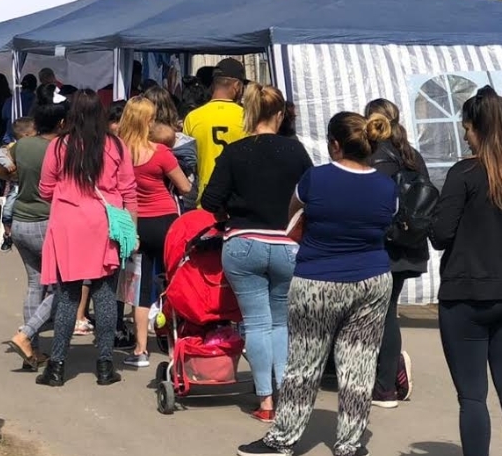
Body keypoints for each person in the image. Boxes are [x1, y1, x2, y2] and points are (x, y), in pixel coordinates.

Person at [238, 112, 397, 456]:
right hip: (372, 279)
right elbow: (386, 223)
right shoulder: (387, 186)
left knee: (304, 363)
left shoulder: (316, 179)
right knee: (359, 364)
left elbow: (292, 220)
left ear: (334, 144)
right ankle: (349, 444)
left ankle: (283, 440)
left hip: (318, 279)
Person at [200, 84, 312, 421]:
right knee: (281, 323)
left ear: (248, 112)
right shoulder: (296, 151)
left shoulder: (235, 151)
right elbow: (311, 194)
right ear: (279, 114)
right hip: (287, 245)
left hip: (243, 242)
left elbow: (210, 200)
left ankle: (265, 402)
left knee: (257, 323)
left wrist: (227, 213)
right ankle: (285, 395)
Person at [34, 89, 137, 389]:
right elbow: (129, 190)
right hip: (105, 225)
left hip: (68, 224)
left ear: (72, 113)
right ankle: (105, 365)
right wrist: (132, 230)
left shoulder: (59, 145)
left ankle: (56, 366)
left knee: (67, 296)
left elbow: (45, 188)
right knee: (105, 296)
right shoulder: (115, 146)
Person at [431, 86, 502, 456]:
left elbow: (441, 234)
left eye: (467, 128)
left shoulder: (464, 173)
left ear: (477, 128)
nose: (464, 136)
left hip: (465, 293)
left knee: (473, 397)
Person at [365, 97, 429, 409]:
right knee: (387, 310)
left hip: (383, 245)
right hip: (409, 244)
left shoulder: (375, 156)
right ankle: (388, 374)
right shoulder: (412, 155)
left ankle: (386, 384)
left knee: (381, 313)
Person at [118, 96, 191, 368]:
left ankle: (140, 349)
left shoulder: (118, 153)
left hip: (134, 224)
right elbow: (185, 187)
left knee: (141, 287)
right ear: (147, 121)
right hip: (165, 222)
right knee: (173, 281)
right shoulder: (160, 152)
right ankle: (177, 344)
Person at [7, 85, 66, 371]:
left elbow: (3, 169)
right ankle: (26, 334)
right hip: (45, 220)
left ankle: (32, 348)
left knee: (35, 283)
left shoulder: (22, 145)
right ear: (61, 123)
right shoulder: (58, 149)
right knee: (63, 287)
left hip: (20, 219)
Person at [183, 58, 247, 199]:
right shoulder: (247, 117)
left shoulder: (193, 117)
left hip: (205, 198)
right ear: (237, 86)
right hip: (237, 199)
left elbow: (187, 162)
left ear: (213, 84)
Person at [0, 117, 37, 251]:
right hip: (16, 183)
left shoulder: (35, 147)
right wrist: (8, 163)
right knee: (8, 211)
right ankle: (8, 234)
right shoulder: (12, 146)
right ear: (26, 135)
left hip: (29, 182)